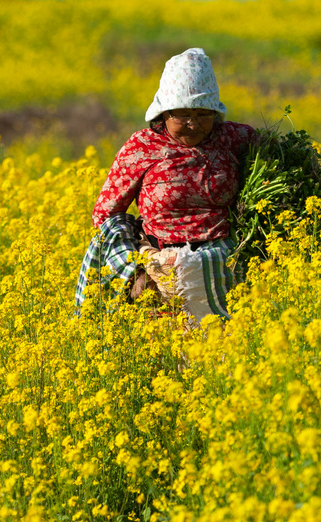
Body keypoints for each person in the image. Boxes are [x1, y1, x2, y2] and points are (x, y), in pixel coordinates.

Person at [75, 48, 256, 323]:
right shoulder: (142, 146)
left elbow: (279, 166)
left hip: (224, 270)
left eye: (203, 114)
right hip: (161, 274)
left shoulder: (234, 138)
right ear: (164, 113)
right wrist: (135, 270)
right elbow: (106, 217)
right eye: (182, 116)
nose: (193, 125)